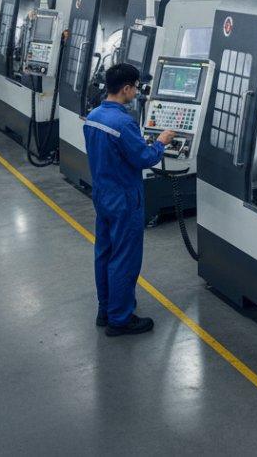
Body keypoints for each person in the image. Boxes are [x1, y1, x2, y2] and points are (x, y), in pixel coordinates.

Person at [84, 63, 175, 337]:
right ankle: (120, 319)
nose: (137, 92)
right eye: (135, 87)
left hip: (102, 194)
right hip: (125, 199)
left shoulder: (94, 115)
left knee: (105, 253)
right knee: (124, 258)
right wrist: (161, 142)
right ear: (126, 88)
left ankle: (106, 309)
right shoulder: (123, 123)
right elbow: (144, 158)